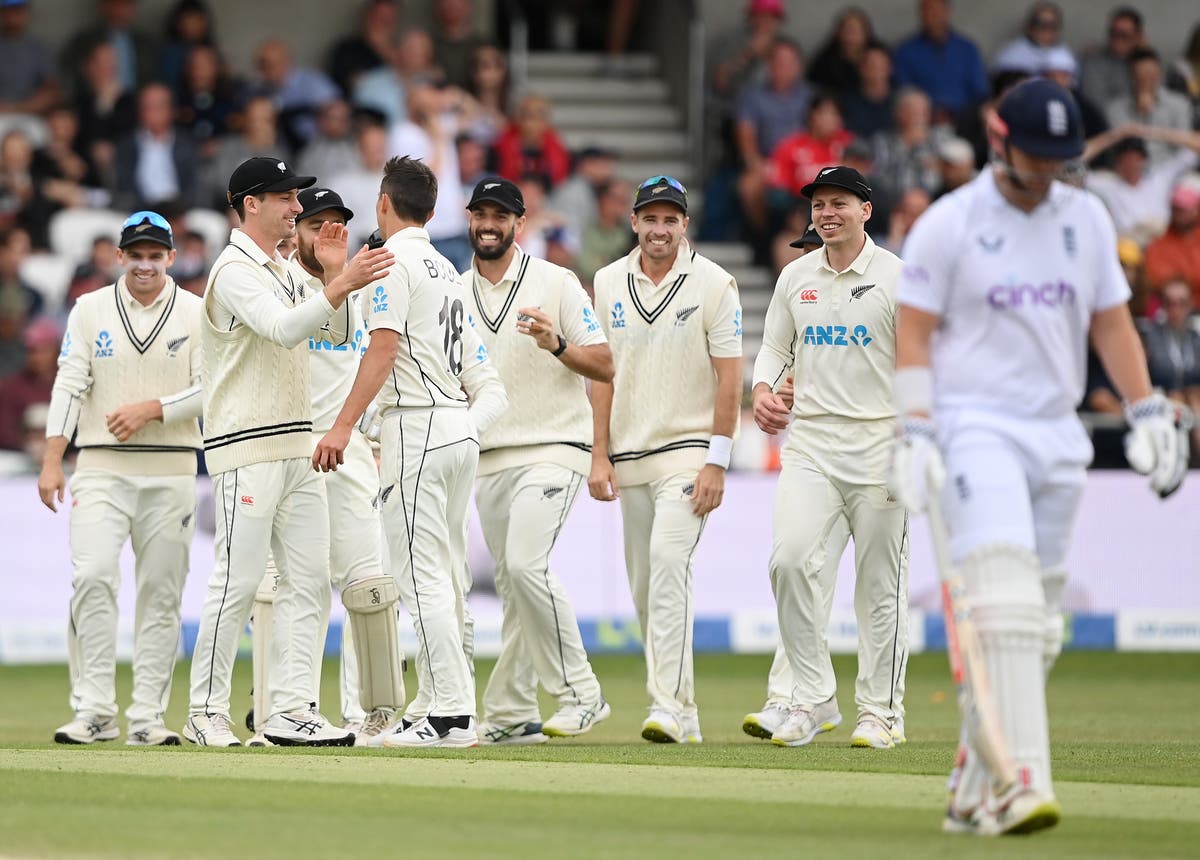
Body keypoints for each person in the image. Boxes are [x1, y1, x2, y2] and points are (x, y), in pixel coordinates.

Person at [891, 78, 1190, 836]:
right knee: (1005, 606)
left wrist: (1145, 405)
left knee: (1039, 625)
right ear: (1000, 141)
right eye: (1038, 157)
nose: (1051, 172)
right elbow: (915, 332)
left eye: (1062, 158)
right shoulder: (950, 223)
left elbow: (1112, 324)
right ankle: (1016, 785)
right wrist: (916, 426)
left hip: (1057, 433)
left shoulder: (1084, 218)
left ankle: (970, 775)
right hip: (975, 425)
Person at [185, 156, 393, 747]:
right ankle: (205, 714)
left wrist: (331, 273)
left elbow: (329, 331)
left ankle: (290, 711)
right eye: (286, 199)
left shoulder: (282, 267)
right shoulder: (234, 270)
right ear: (251, 203)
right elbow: (281, 328)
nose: (297, 209)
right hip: (244, 447)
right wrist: (344, 281)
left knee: (307, 582)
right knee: (239, 582)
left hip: (298, 446)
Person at [313, 155, 507, 749]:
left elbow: (382, 348)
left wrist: (343, 426)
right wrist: (464, 430)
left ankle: (449, 716)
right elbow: (484, 376)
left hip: (418, 429)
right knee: (443, 578)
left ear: (383, 202)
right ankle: (434, 702)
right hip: (453, 429)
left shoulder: (390, 263)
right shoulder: (449, 271)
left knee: (419, 580)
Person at [745, 166, 909, 750]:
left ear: (867, 209)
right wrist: (762, 391)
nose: (826, 213)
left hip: (881, 444)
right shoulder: (796, 276)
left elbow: (917, 365)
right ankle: (813, 698)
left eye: (839, 202)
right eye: (818, 205)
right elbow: (772, 349)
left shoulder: (897, 277)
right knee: (788, 563)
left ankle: (881, 712)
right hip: (811, 443)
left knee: (879, 587)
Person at [37, 211, 201, 746]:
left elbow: (213, 390)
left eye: (156, 256)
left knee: (160, 593)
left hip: (172, 467)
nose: (146, 265)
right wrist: (52, 457)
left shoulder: (199, 313)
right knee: (92, 579)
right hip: (101, 466)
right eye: (137, 256)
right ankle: (94, 711)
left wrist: (153, 409)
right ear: (120, 257)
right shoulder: (89, 310)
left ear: (171, 258)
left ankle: (148, 718)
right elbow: (69, 383)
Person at [249, 186, 406, 746]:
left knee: (368, 588)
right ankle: (278, 711)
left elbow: (378, 358)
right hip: (284, 446)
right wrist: (335, 280)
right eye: (318, 226)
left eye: (339, 226)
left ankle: (377, 712)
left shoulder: (362, 289)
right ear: (297, 231)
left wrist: (370, 430)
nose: (329, 236)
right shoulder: (275, 281)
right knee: (286, 587)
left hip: (349, 450)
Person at [460, 177, 614, 744]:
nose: (490, 224)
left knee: (526, 567)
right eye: (481, 214)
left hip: (554, 446)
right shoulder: (453, 290)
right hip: (488, 456)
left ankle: (581, 693)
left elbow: (603, 364)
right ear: (469, 218)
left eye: (501, 215)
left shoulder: (556, 282)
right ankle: (509, 713)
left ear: (520, 224)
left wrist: (557, 345)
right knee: (517, 585)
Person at [589, 176, 742, 744]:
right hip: (630, 456)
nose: (659, 230)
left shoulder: (715, 283)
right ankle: (687, 710)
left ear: (685, 225)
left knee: (668, 563)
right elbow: (602, 375)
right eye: (649, 219)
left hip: (688, 452)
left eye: (669, 220)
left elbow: (731, 377)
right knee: (646, 588)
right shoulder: (606, 282)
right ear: (634, 222)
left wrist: (717, 460)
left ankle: (668, 709)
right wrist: (598, 453)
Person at [892, 0, 988, 121]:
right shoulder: (905, 51)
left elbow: (980, 91)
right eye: (928, 11)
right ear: (921, 14)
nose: (933, 16)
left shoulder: (967, 49)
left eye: (938, 11)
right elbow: (904, 91)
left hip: (964, 121)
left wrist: (958, 114)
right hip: (921, 121)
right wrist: (930, 112)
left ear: (947, 13)